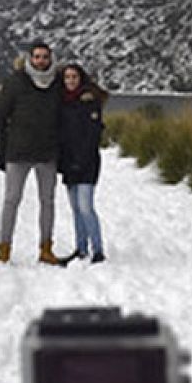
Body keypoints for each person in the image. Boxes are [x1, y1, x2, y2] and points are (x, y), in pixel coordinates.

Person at [0, 41, 64, 265]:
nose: (41, 61)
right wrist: (0, 154)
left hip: (47, 153)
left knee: (48, 202)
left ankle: (46, 249)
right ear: (29, 59)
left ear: (51, 58)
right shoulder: (15, 82)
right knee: (11, 200)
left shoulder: (58, 83)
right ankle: (4, 250)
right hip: (18, 153)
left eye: (45, 57)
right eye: (37, 56)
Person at [57, 64, 108, 263]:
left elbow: (93, 135)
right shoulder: (61, 102)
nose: (70, 80)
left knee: (86, 207)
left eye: (74, 77)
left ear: (81, 79)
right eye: (67, 77)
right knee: (76, 209)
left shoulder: (90, 101)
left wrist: (81, 160)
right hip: (68, 162)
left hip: (87, 162)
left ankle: (98, 250)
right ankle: (81, 248)